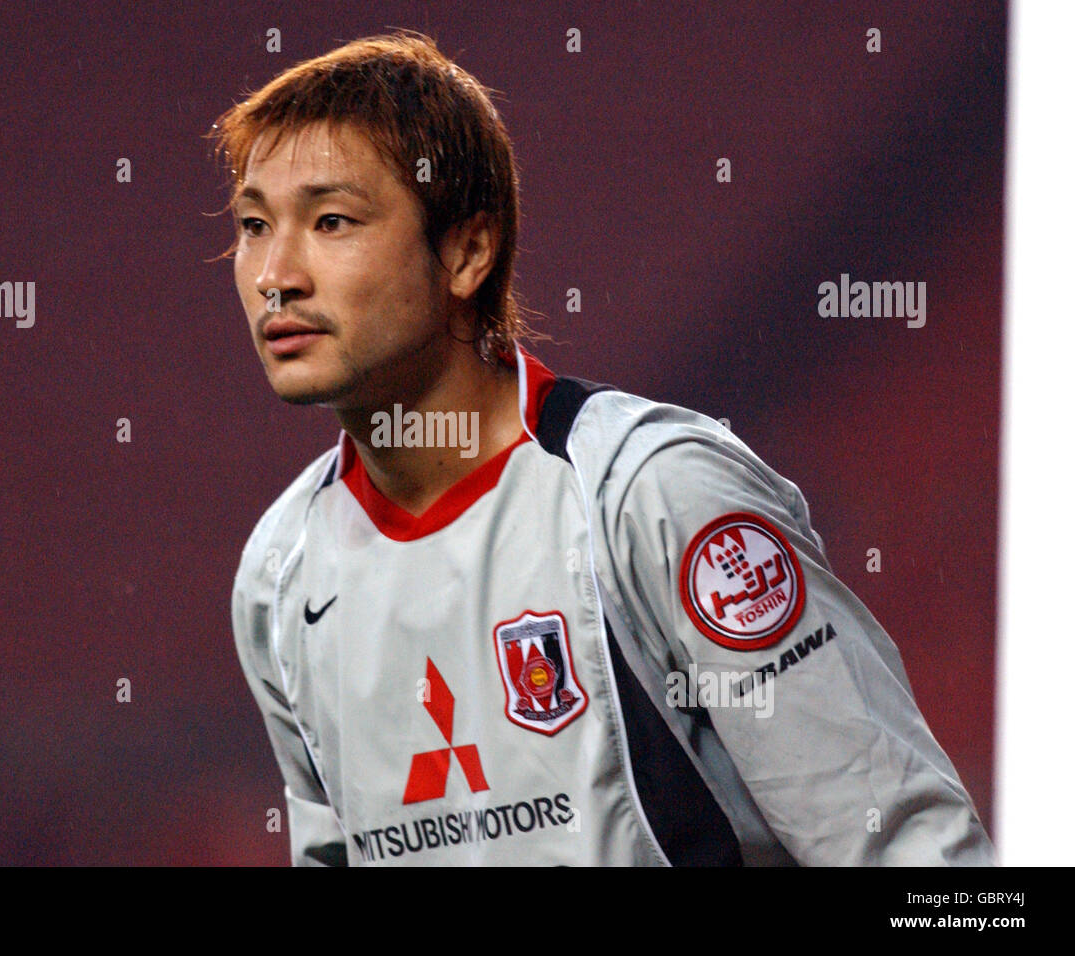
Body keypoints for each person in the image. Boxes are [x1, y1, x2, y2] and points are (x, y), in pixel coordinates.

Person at [213, 30, 994, 866]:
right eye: (255, 225)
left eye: (332, 220)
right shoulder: (279, 574)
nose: (275, 273)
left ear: (467, 251)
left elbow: (907, 848)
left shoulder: (654, 496)